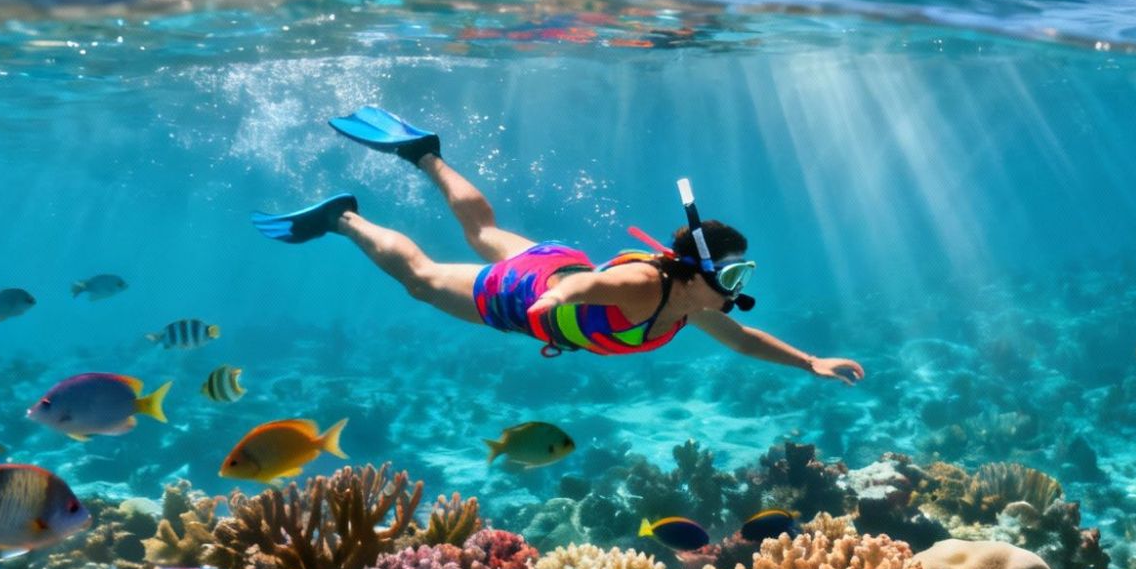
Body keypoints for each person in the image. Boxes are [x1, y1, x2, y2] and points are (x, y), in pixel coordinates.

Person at [250, 107, 864, 384]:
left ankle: (424, 153)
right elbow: (589, 286)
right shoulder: (645, 286)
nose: (735, 293)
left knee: (487, 232)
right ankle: (344, 221)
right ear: (693, 273)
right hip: (525, 295)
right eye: (729, 279)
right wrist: (549, 304)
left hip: (553, 262)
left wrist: (810, 362)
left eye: (741, 278)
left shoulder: (692, 304)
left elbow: (746, 340)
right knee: (420, 278)